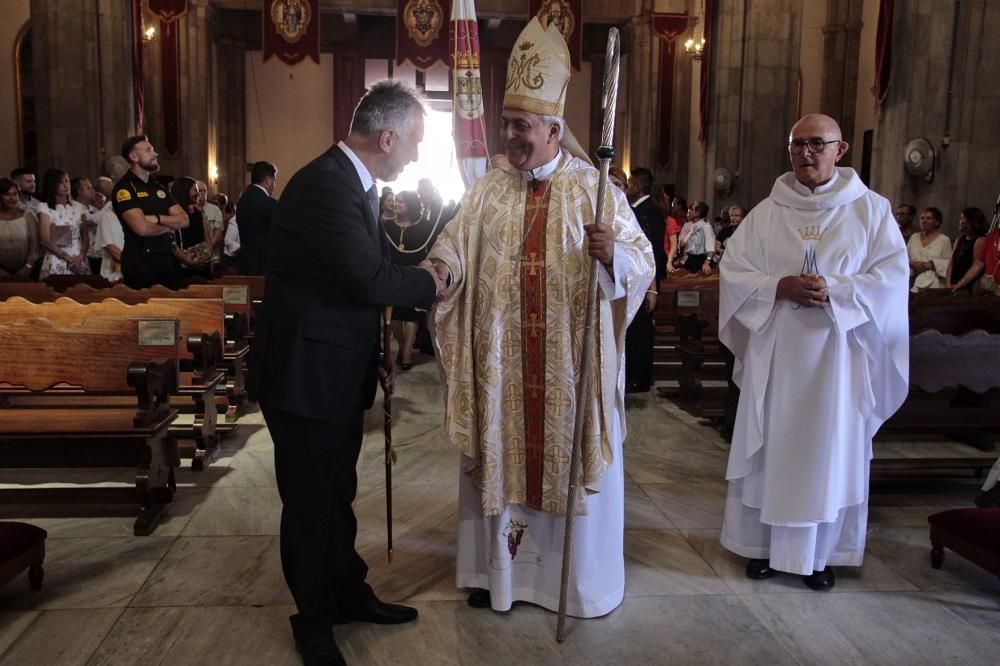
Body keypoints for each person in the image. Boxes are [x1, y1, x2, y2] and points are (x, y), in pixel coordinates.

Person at [429, 18, 655, 618]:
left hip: (568, 369)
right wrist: (440, 269)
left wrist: (615, 258)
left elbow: (643, 261)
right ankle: (496, 576)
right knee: (500, 453)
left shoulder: (594, 188)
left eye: (521, 126)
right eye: (506, 123)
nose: (509, 135)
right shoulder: (487, 191)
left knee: (565, 454)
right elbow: (455, 242)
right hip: (502, 371)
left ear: (554, 130)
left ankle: (576, 583)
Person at [247, 80, 446, 666]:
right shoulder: (325, 186)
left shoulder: (350, 182)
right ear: (387, 137)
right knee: (311, 502)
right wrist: (438, 280)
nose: (414, 154)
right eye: (413, 142)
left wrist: (377, 348)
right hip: (304, 378)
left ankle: (348, 593)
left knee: (337, 495)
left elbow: (351, 284)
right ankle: (313, 620)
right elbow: (371, 281)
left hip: (334, 369)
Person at [719, 113, 909, 591]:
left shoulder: (871, 211)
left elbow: (890, 278)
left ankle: (820, 555)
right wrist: (779, 286)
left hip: (837, 358)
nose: (806, 153)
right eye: (797, 144)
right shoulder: (767, 212)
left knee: (828, 452)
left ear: (840, 150)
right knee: (773, 449)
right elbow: (733, 270)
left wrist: (838, 291)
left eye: (817, 144)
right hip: (778, 355)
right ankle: (763, 548)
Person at [112, 135, 189, 289]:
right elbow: (142, 228)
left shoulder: (158, 187)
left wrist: (156, 218)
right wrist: (169, 226)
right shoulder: (125, 188)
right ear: (133, 156)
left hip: (166, 259)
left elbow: (184, 220)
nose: (155, 154)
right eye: (148, 150)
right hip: (140, 262)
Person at [382, 190, 434, 369]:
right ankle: (404, 344)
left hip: (415, 275)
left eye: (401, 202)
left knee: (412, 314)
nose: (396, 204)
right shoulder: (387, 226)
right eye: (396, 201)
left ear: (411, 204)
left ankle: (406, 354)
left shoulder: (425, 227)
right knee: (395, 314)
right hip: (394, 274)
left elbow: (432, 251)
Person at [624, 166, 665, 393]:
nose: (628, 189)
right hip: (640, 278)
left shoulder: (647, 212)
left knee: (641, 330)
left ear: (637, 188)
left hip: (646, 280)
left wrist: (652, 287)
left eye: (629, 184)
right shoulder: (641, 209)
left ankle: (640, 377)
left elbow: (651, 251)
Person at [37, 168, 90, 279]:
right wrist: (66, 257)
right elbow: (44, 239)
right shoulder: (45, 207)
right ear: (52, 185)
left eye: (67, 181)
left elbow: (85, 236)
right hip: (57, 258)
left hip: (78, 258)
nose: (66, 185)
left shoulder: (78, 207)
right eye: (61, 182)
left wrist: (81, 256)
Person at [236, 161, 278, 275]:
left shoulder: (242, 201)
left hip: (245, 262)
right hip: (263, 265)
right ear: (268, 180)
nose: (275, 185)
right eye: (275, 180)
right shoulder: (268, 202)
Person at [170, 176, 213, 276]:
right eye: (195, 189)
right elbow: (172, 243)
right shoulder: (173, 215)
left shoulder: (199, 213)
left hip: (202, 264)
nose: (198, 193)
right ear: (184, 191)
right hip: (182, 266)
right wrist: (188, 261)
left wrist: (207, 256)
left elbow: (208, 238)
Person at [0, 177, 39, 279]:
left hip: (26, 271)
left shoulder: (27, 217)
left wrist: (28, 267)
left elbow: (34, 247)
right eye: (7, 195)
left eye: (15, 194)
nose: (12, 198)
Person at [907, 207, 951, 292]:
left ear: (937, 222)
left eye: (928, 218)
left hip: (935, 284)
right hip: (914, 282)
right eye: (922, 218)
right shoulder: (914, 237)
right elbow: (904, 257)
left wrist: (933, 264)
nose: (924, 221)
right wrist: (912, 263)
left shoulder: (944, 240)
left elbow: (949, 263)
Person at [946, 207, 988, 293]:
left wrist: (961, 284)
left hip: (967, 287)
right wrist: (948, 284)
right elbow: (951, 264)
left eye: (962, 218)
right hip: (953, 285)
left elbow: (976, 268)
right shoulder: (960, 239)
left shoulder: (980, 241)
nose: (960, 221)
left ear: (970, 221)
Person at [681, 200, 715, 273]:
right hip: (691, 259)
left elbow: (711, 248)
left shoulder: (706, 227)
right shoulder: (693, 226)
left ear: (698, 213)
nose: (689, 211)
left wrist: (707, 262)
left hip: (700, 260)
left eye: (692, 210)